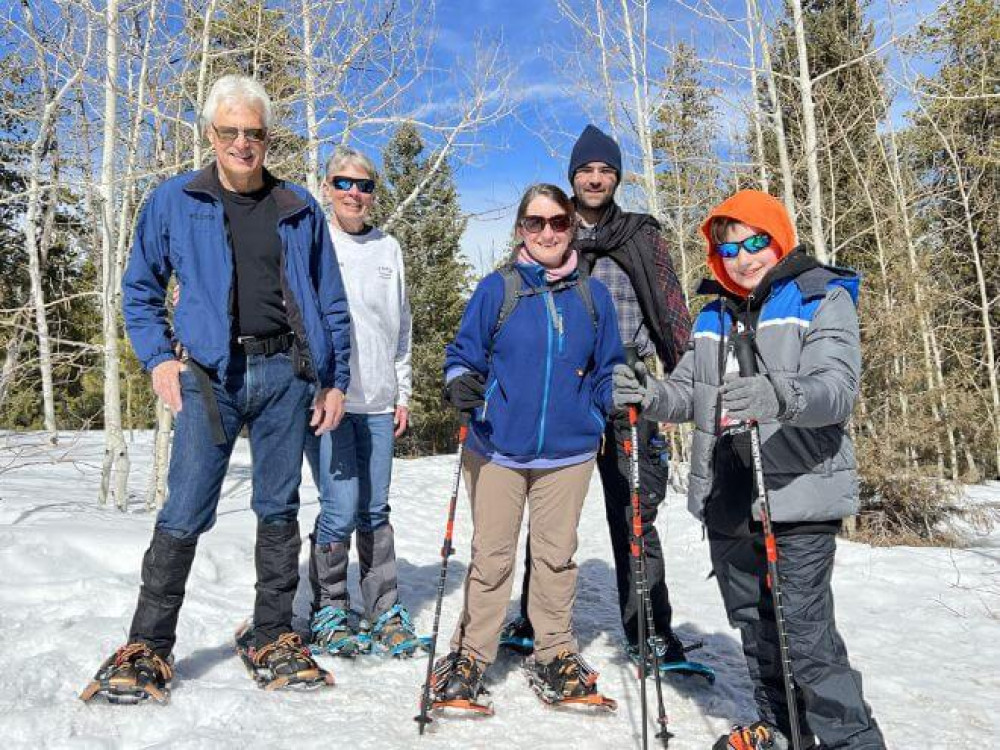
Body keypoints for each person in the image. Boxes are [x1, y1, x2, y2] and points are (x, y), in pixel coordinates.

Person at [81, 74, 352, 702]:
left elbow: (330, 302)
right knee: (186, 507)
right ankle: (147, 645)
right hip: (210, 377)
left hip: (285, 374)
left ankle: (272, 633)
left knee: (279, 507)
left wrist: (333, 380)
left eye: (253, 133)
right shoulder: (176, 200)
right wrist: (157, 360)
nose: (241, 143)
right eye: (229, 131)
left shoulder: (298, 207)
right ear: (211, 135)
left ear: (267, 138)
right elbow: (140, 290)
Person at [614, 189, 886, 749]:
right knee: (757, 628)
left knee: (805, 638)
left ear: (779, 237)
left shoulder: (821, 296)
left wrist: (777, 395)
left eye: (755, 241)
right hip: (731, 493)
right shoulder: (714, 311)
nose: (743, 257)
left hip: (797, 490)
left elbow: (835, 391)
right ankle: (784, 730)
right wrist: (649, 393)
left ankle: (851, 741)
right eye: (730, 248)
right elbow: (690, 391)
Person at [502, 125, 693, 667]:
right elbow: (513, 303)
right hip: (562, 390)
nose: (594, 178)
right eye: (586, 170)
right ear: (572, 176)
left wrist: (683, 387)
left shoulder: (641, 235)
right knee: (549, 511)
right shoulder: (549, 233)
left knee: (634, 511)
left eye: (605, 170)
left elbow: (672, 310)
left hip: (630, 388)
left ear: (616, 178)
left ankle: (651, 629)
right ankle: (533, 619)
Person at [432, 184, 624, 706]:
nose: (546, 232)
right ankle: (470, 654)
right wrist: (460, 383)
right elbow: (463, 354)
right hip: (497, 447)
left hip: (569, 452)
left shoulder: (592, 295)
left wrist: (617, 394)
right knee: (492, 558)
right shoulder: (497, 289)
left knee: (556, 557)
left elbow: (608, 370)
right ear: (520, 229)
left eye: (557, 222)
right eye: (535, 223)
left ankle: (554, 653)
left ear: (571, 228)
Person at [302, 146, 421, 657]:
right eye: (343, 183)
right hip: (329, 402)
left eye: (364, 185)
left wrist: (402, 391)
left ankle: (383, 608)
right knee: (341, 506)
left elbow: (401, 327)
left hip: (378, 399)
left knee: (375, 507)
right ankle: (329, 606)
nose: (354, 193)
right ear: (327, 187)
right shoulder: (312, 243)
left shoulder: (388, 249)